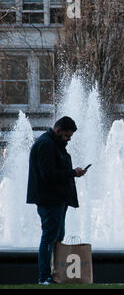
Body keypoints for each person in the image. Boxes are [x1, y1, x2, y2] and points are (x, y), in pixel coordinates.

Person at [26, 116, 87, 285]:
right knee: (49, 237)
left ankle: (54, 275)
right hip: (49, 200)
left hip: (57, 199)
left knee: (57, 236)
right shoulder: (46, 145)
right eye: (67, 135)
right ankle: (44, 277)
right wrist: (73, 173)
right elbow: (48, 174)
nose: (68, 139)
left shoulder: (54, 144)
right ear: (58, 130)